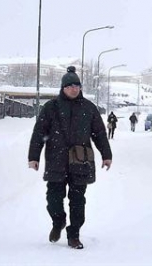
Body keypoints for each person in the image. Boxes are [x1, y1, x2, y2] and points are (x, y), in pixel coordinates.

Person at [28, 66, 112, 250]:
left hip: (80, 161)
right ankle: (58, 222)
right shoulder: (51, 107)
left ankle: (74, 234)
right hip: (55, 160)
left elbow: (99, 133)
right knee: (53, 200)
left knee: (78, 201)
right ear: (63, 88)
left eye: (77, 85)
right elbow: (39, 133)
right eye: (70, 85)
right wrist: (33, 157)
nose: (74, 88)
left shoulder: (89, 108)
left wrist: (106, 155)